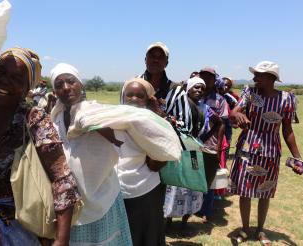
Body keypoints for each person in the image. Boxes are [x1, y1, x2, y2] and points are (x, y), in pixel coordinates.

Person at [0, 48, 80, 245]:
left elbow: (62, 180)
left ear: (26, 90)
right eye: (1, 71)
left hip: (14, 230)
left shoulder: (34, 120)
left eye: (16, 78)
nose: (4, 80)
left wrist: (61, 239)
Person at [50, 63, 133, 245]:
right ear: (54, 91)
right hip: (69, 201)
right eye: (59, 85)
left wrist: (99, 127)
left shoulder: (95, 112)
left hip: (102, 196)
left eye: (71, 81)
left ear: (81, 84)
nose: (65, 88)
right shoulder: (55, 118)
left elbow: (117, 138)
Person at [229, 61, 302, 245]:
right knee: (245, 191)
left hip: (270, 149)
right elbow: (233, 112)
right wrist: (237, 115)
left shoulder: (287, 99)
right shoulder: (250, 93)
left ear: (271, 78)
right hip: (248, 147)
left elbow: (287, 130)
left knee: (265, 191)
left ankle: (261, 230)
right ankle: (245, 230)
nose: (254, 78)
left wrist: (297, 158)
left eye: (258, 75)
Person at [117, 77, 171, 246]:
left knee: (147, 236)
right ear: (122, 97)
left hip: (146, 189)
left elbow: (156, 164)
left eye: (140, 96)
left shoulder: (154, 124)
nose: (133, 99)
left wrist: (156, 119)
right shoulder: (112, 120)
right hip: (117, 189)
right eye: (129, 95)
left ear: (148, 100)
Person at [164, 76, 222, 230]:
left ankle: (184, 222)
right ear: (188, 89)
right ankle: (168, 221)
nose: (199, 90)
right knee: (175, 185)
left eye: (202, 88)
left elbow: (219, 122)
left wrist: (203, 139)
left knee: (191, 186)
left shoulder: (204, 108)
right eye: (196, 87)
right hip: (178, 150)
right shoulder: (179, 103)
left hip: (195, 152)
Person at [139, 41, 192, 131]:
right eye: (152, 56)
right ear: (145, 59)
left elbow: (186, 127)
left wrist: (160, 114)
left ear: (166, 63)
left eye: (160, 57)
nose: (155, 60)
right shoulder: (132, 85)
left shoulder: (177, 91)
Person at [197, 67, 227, 222]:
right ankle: (193, 207)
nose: (206, 79)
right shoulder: (194, 95)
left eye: (210, 77)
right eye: (204, 76)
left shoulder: (220, 100)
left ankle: (205, 211)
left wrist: (219, 146)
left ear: (214, 80)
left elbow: (223, 124)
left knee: (208, 179)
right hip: (193, 144)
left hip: (211, 144)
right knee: (193, 176)